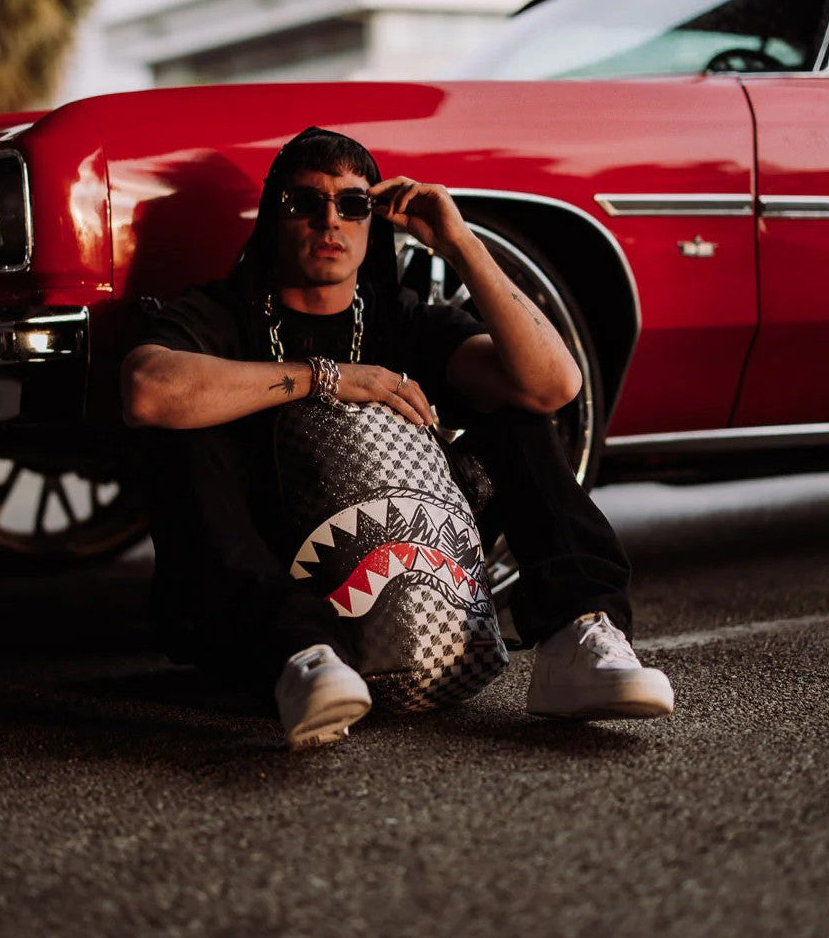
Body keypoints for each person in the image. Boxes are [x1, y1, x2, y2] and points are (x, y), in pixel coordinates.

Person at [121, 126, 673, 749]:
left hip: (414, 568)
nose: (330, 219)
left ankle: (577, 633)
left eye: (353, 204)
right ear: (274, 217)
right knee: (183, 425)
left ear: (372, 220)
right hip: (266, 580)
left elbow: (555, 385)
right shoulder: (224, 313)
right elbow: (147, 391)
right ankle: (297, 655)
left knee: (513, 404)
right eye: (306, 202)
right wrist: (328, 377)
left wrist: (460, 242)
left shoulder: (400, 318)